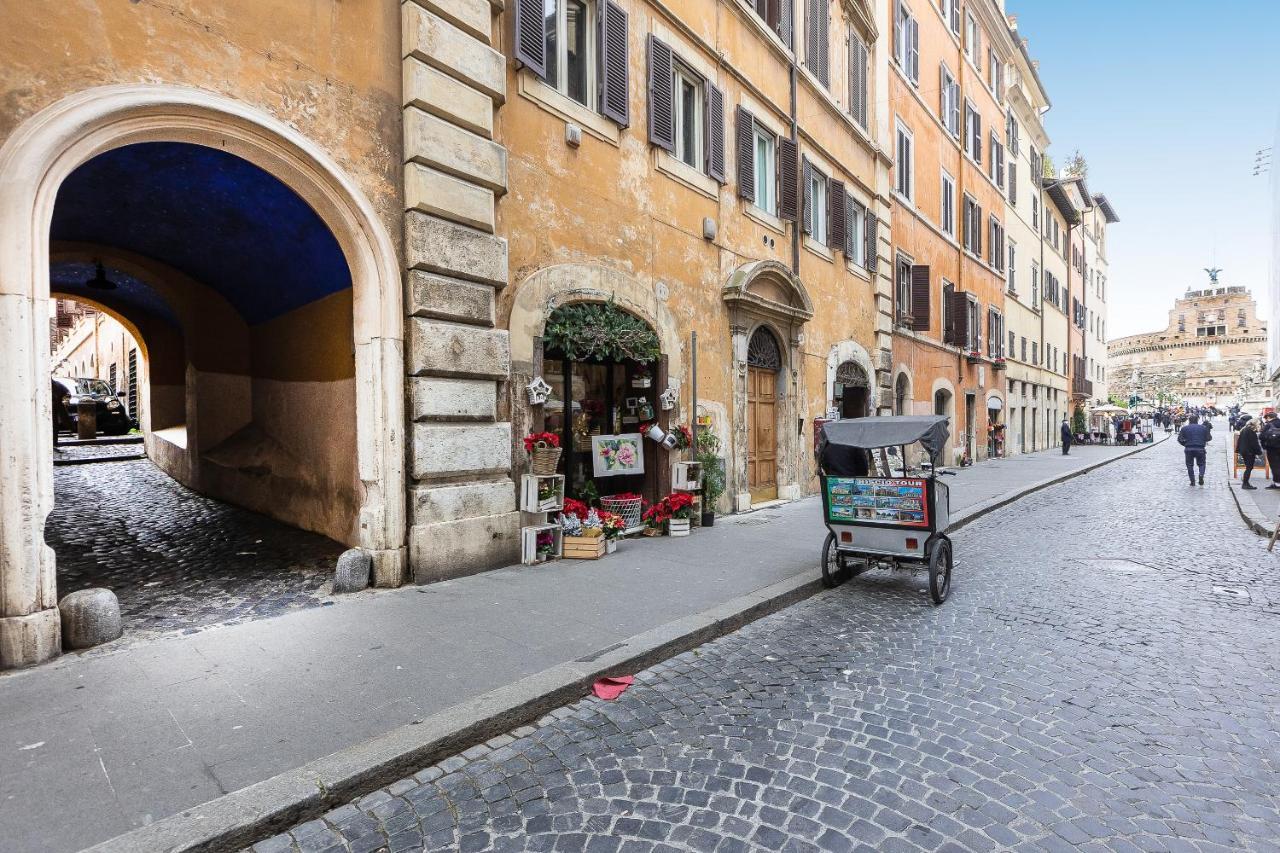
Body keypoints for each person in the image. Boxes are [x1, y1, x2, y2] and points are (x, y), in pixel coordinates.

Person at [1178, 413, 1212, 486]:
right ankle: (1201, 475)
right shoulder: (1203, 428)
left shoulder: (1184, 428)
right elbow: (1209, 438)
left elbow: (1179, 439)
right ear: (1197, 420)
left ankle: (1192, 481)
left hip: (1189, 448)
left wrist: (1185, 444)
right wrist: (1202, 440)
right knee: (1202, 464)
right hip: (1200, 448)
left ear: (1189, 420)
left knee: (1189, 465)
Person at [1237, 416, 1261, 490]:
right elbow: (1254, 443)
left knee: (1248, 468)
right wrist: (1259, 452)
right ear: (1255, 424)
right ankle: (1245, 484)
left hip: (1245, 451)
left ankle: (1246, 483)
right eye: (1259, 424)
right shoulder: (1250, 431)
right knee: (1249, 468)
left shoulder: (1245, 429)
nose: (1259, 425)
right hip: (1249, 452)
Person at [1260, 412, 1280, 490]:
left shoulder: (1268, 425)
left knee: (1275, 466)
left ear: (1268, 417)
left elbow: (1261, 436)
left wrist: (1264, 446)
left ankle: (1277, 483)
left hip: (1272, 449)